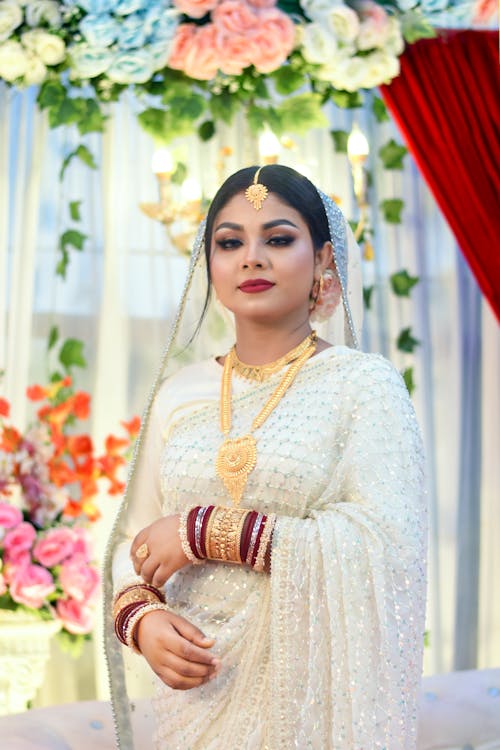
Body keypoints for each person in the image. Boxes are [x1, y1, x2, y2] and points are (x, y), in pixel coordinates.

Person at [104, 164, 427, 750]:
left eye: (278, 239)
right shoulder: (180, 393)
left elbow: (386, 543)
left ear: (324, 259)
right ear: (210, 264)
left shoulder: (362, 384)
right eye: (229, 243)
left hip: (311, 706)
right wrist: (143, 621)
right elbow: (133, 542)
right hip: (196, 695)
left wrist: (206, 532)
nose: (251, 258)